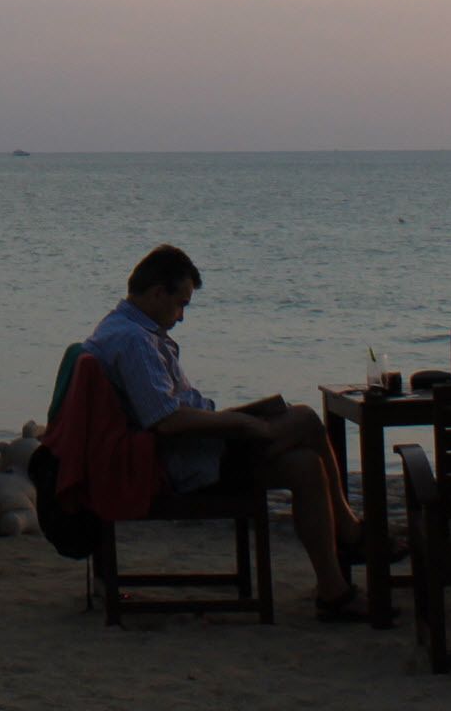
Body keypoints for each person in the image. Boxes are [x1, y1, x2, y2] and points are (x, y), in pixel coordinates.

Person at [82, 243, 368, 618]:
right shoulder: (133, 340)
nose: (182, 316)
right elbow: (166, 420)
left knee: (306, 466)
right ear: (157, 293)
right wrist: (241, 423)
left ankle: (333, 589)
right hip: (179, 461)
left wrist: (236, 419)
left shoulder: (124, 328)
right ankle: (350, 534)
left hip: (187, 448)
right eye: (180, 304)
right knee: (304, 420)